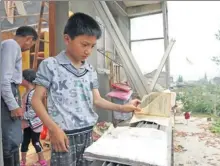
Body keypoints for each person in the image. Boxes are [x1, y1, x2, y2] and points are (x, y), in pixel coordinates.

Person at [32, 12, 141, 166]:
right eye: (84, 44)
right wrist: (53, 129)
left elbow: (97, 100)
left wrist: (123, 108)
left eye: (92, 46)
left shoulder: (89, 69)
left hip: (87, 133)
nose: (88, 51)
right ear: (67, 39)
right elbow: (36, 100)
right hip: (64, 134)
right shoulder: (51, 65)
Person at [0, 26, 38, 166]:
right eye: (32, 45)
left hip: (11, 91)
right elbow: (4, 80)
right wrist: (13, 105)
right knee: (10, 139)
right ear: (28, 39)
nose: (29, 48)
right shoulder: (12, 45)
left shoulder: (8, 46)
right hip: (7, 94)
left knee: (14, 137)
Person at [20, 69, 47, 166]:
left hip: (34, 123)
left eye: (21, 77)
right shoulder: (26, 92)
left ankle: (42, 161)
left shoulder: (32, 93)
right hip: (27, 123)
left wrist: (22, 116)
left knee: (36, 141)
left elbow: (34, 110)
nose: (20, 79)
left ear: (27, 79)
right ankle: (23, 161)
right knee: (24, 142)